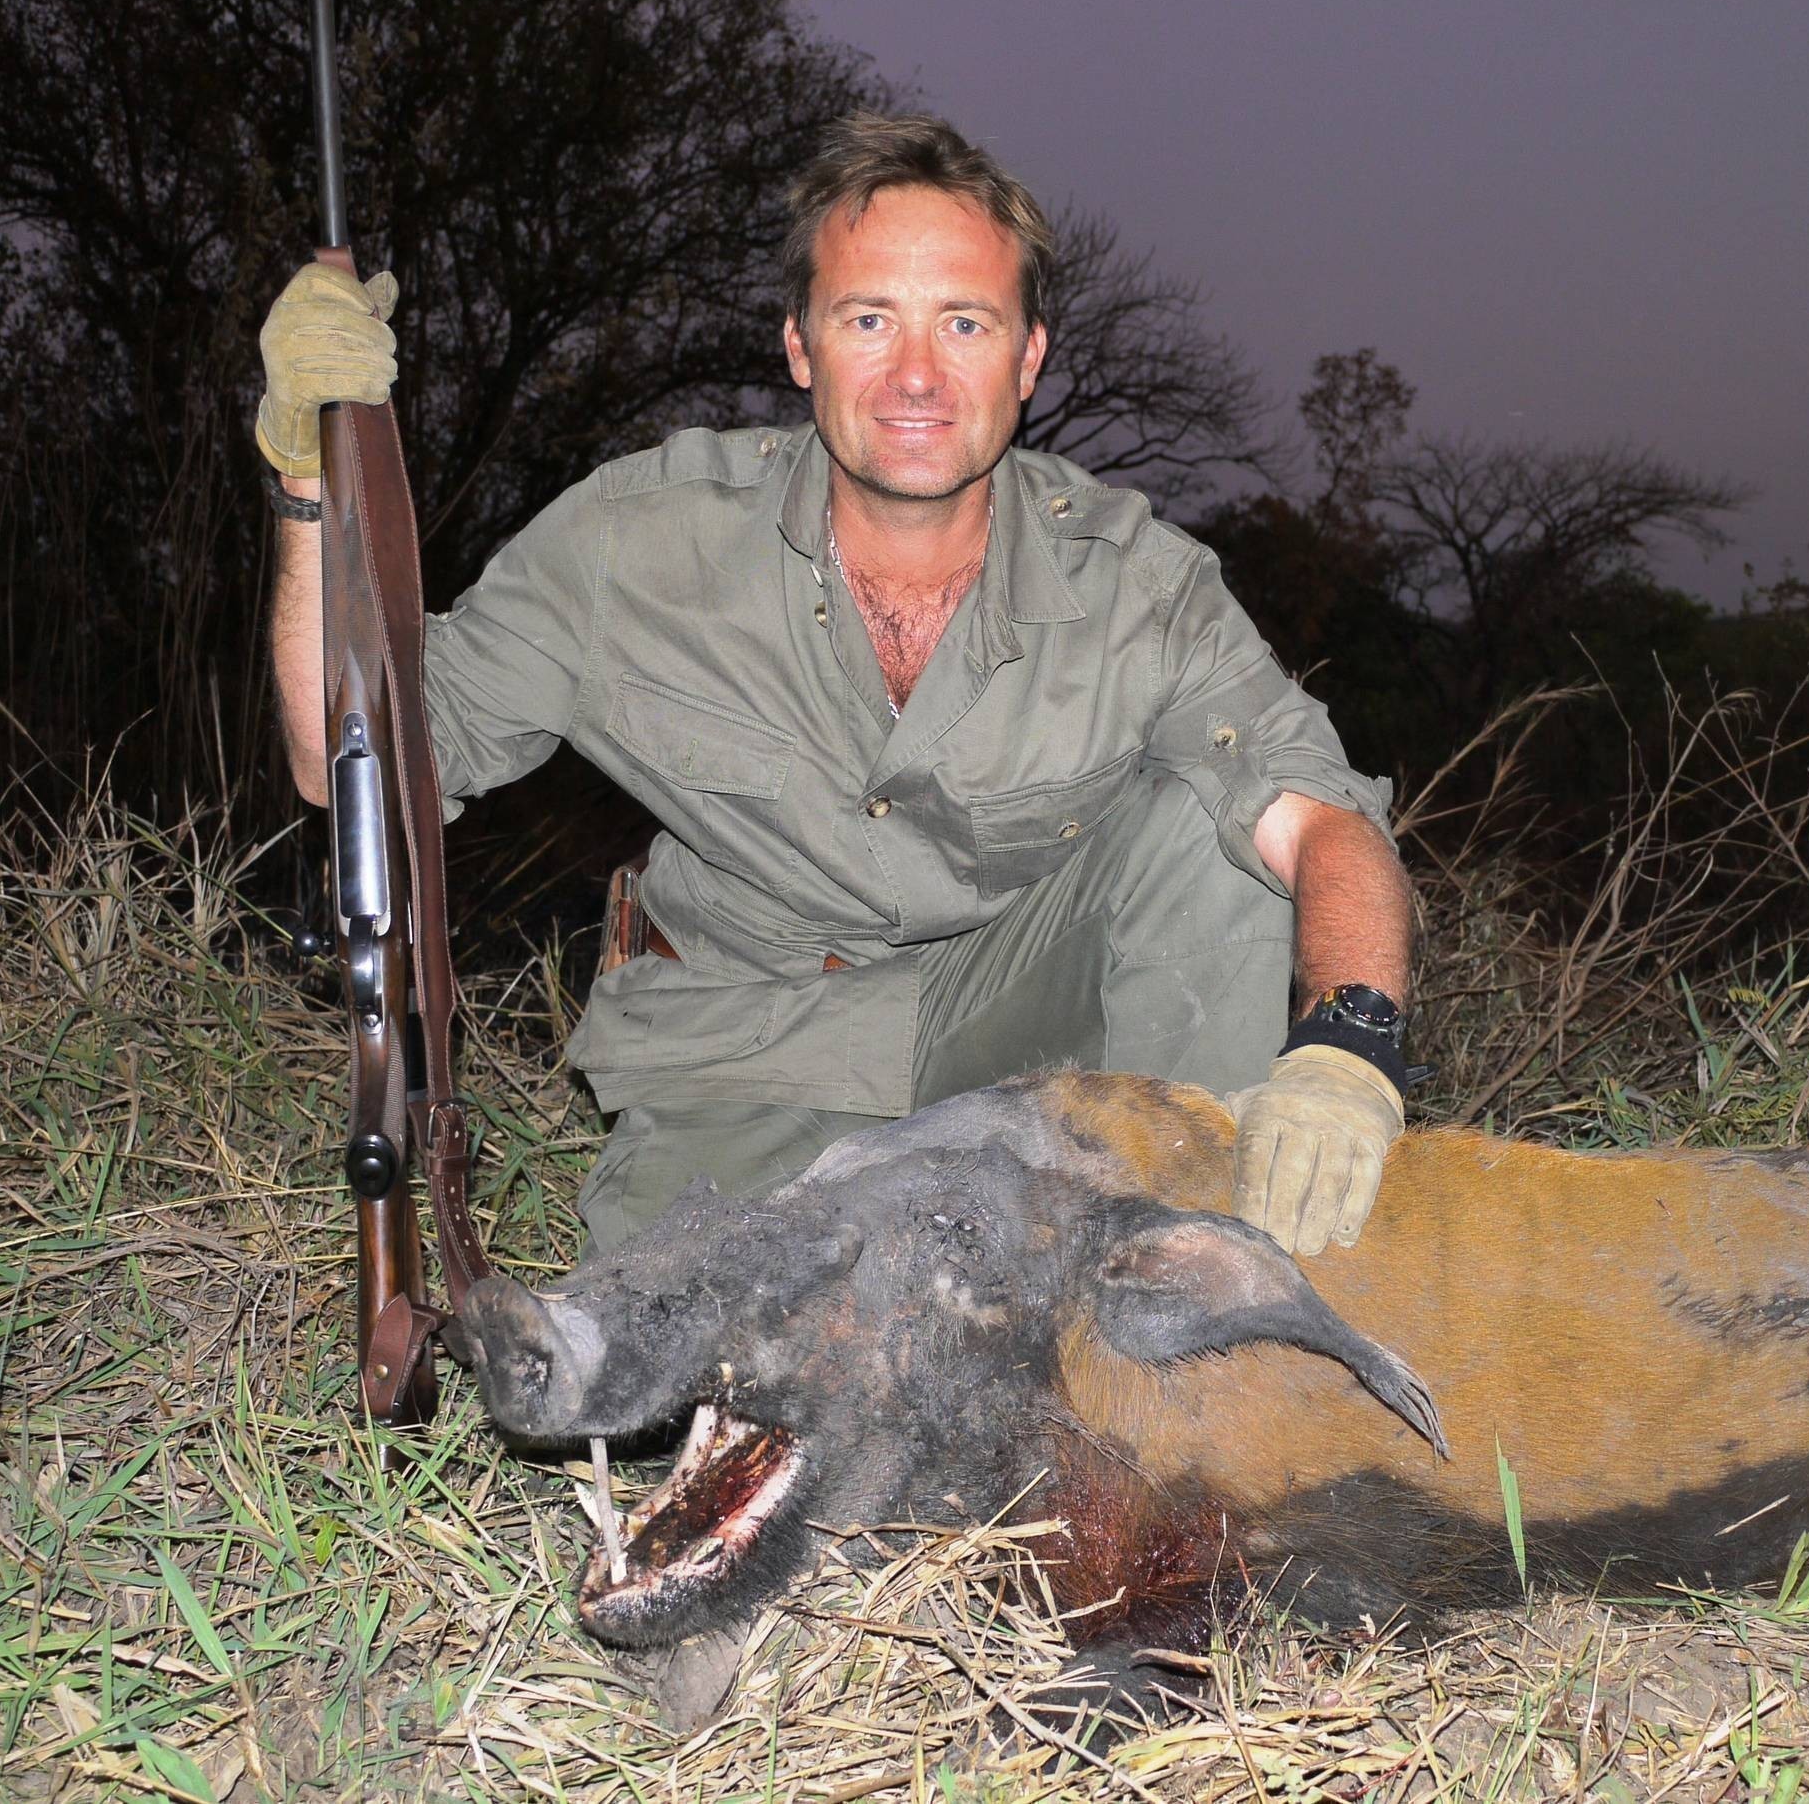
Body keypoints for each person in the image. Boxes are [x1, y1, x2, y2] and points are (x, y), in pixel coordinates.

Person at [257, 113, 1416, 1258]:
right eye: (870, 319)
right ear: (801, 346)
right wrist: (311, 483)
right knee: (684, 1369)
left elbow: (1320, 818)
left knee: (1200, 841)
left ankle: (1177, 1283)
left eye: (963, 322)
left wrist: (1346, 1050)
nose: (916, 375)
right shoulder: (631, 544)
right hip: (741, 1047)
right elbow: (344, 762)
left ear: (1028, 359)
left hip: (1010, 1031)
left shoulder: (1137, 583)